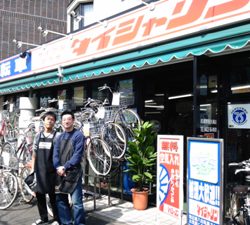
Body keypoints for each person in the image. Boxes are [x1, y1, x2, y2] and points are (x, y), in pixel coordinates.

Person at [53, 110, 85, 225]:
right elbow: (55, 154)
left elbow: (77, 155)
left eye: (69, 119)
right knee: (61, 201)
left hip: (74, 172)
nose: (66, 121)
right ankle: (66, 223)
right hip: (60, 172)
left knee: (77, 203)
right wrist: (57, 167)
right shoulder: (59, 137)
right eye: (64, 119)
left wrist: (65, 167)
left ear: (73, 120)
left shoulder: (79, 135)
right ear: (61, 122)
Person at [31, 111, 60, 225]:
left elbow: (59, 154)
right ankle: (43, 218)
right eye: (48, 119)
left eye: (52, 119)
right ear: (43, 121)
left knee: (53, 196)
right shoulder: (38, 136)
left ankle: (57, 219)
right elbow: (34, 154)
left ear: (54, 122)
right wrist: (32, 170)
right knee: (39, 195)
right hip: (39, 171)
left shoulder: (57, 136)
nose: (50, 121)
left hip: (52, 172)